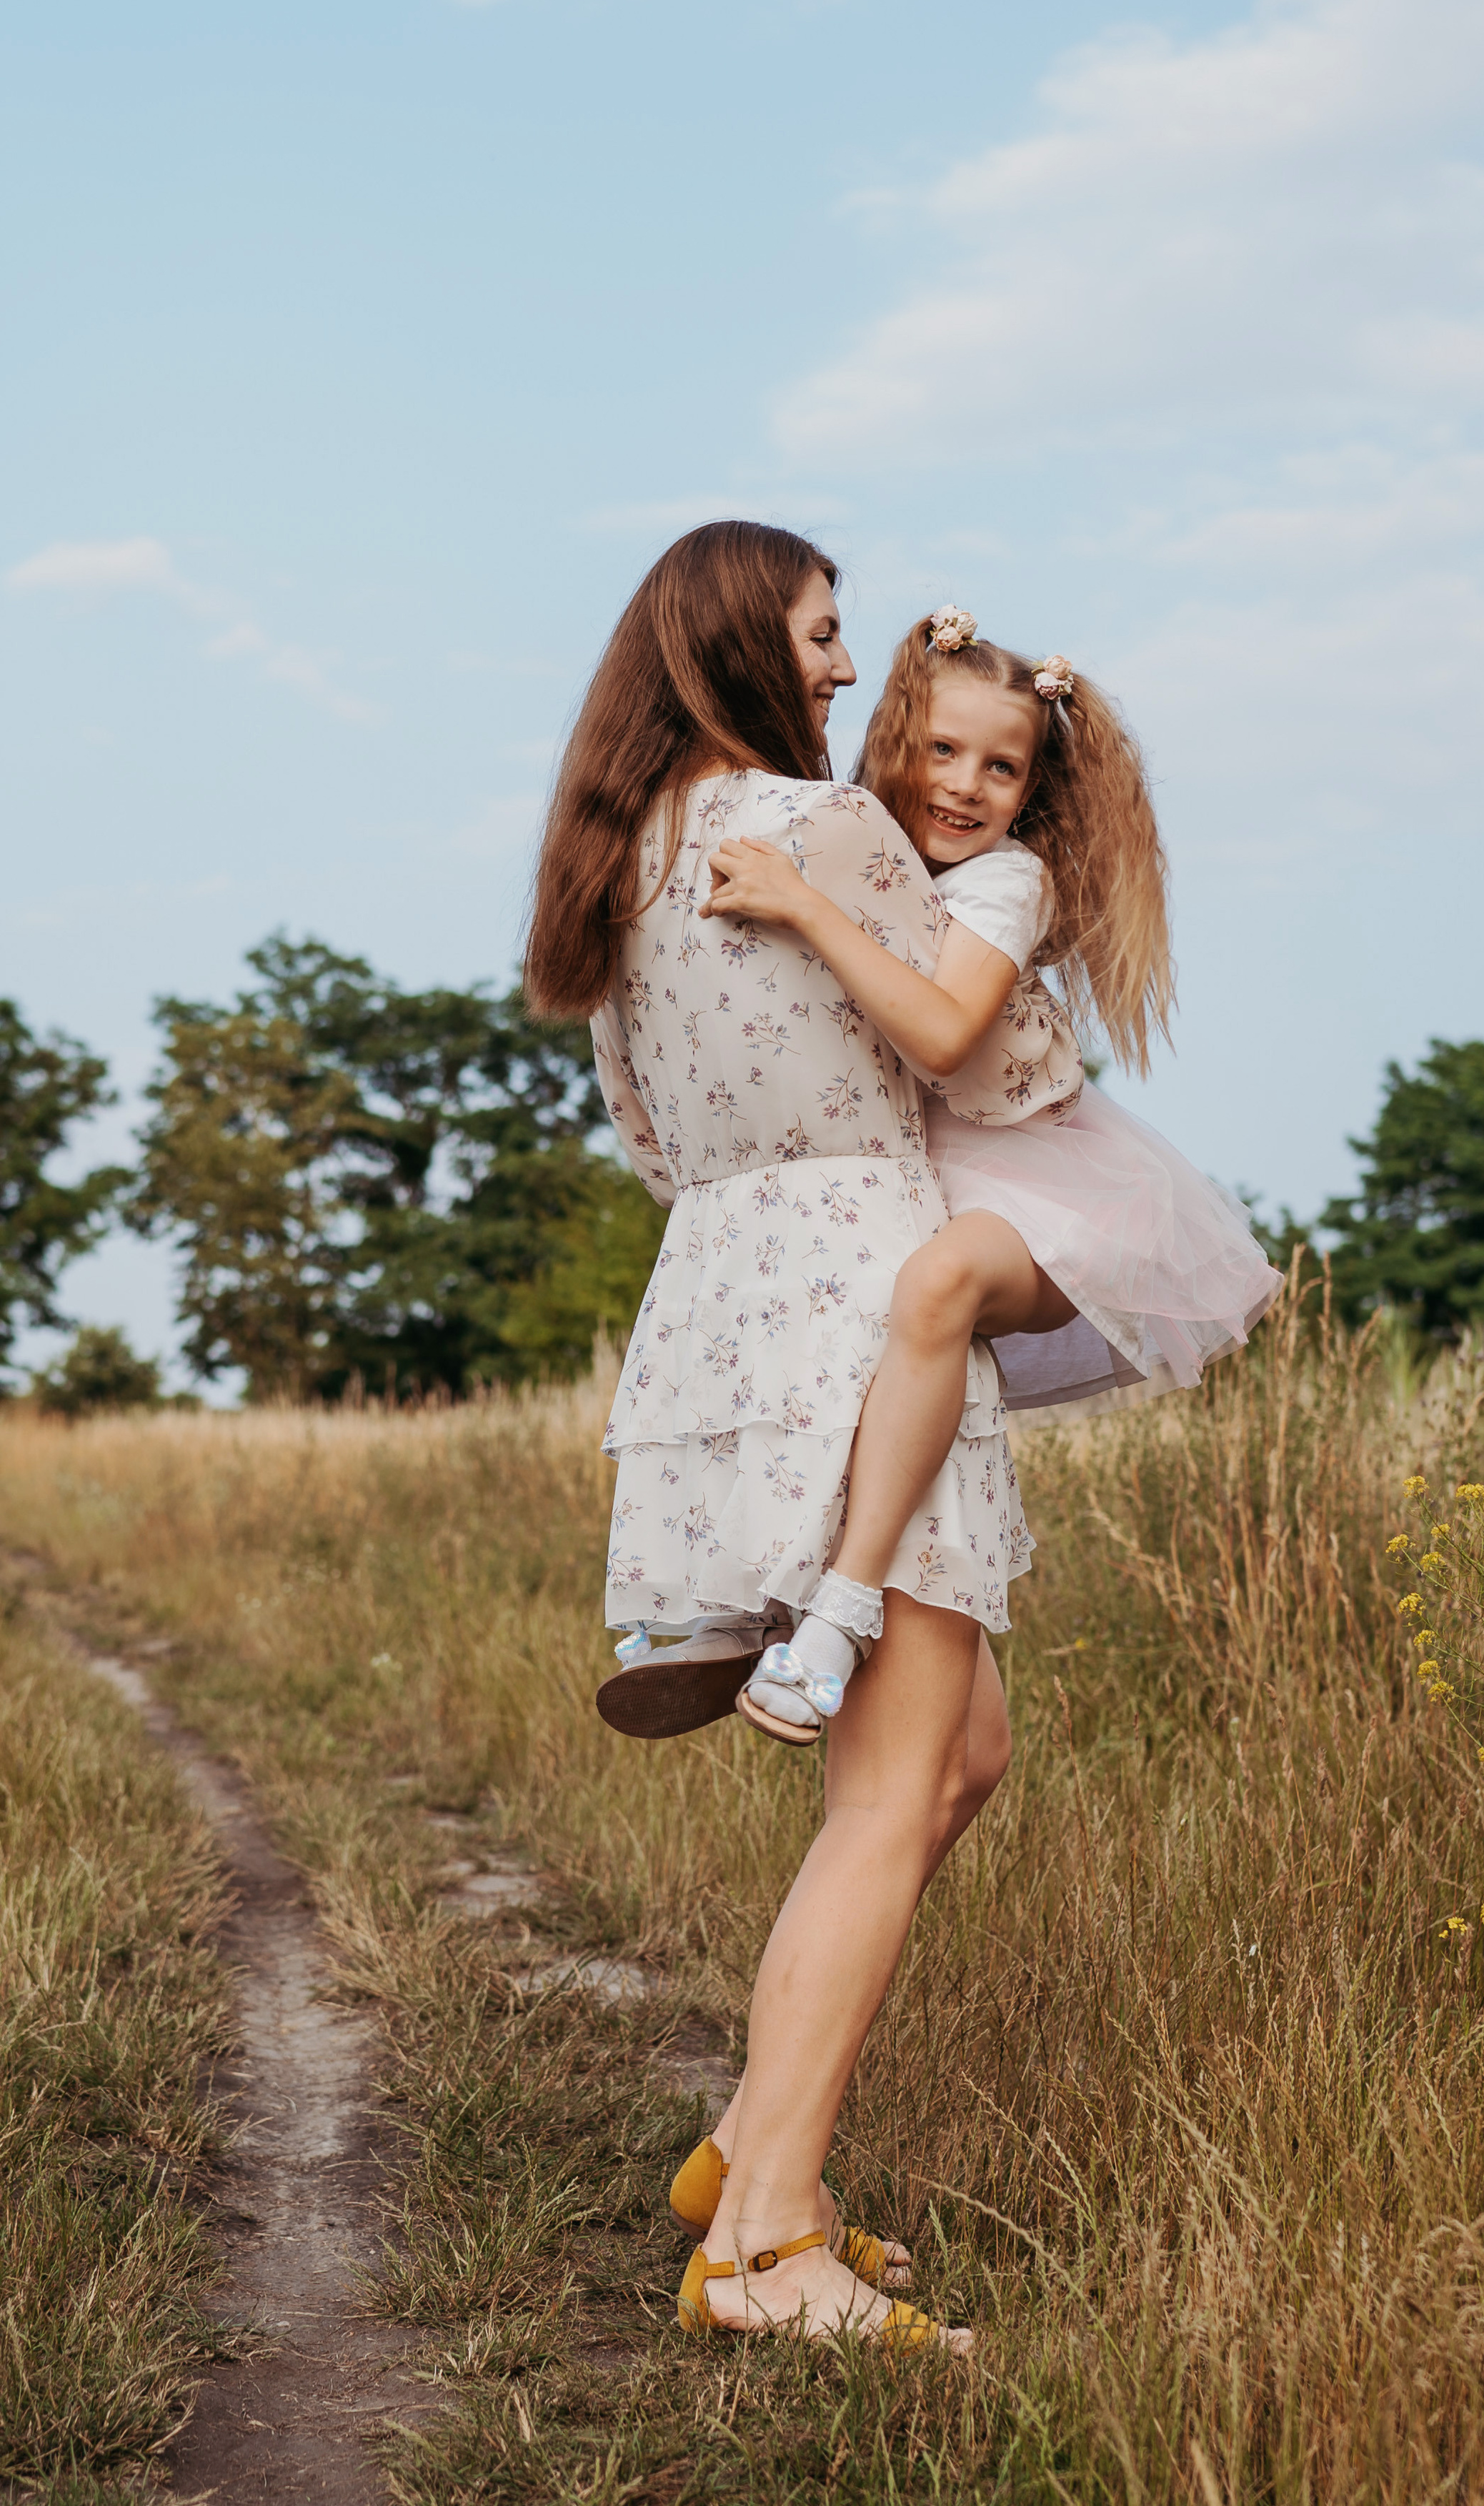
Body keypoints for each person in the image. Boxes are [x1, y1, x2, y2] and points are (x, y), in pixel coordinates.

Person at [524, 526, 1083, 2350]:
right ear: (739, 645)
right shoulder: (825, 833)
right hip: (859, 1278)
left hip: (719, 1296)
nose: (848, 676)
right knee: (886, 1791)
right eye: (826, 638)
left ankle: (747, 2151)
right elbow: (996, 1067)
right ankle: (766, 2246)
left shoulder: (612, 876)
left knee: (961, 1746)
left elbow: (646, 1139)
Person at [697, 606, 1281, 1743]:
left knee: (938, 1283)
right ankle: (753, 1594)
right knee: (839, 1357)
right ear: (892, 748)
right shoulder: (866, 852)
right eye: (944, 752)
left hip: (1048, 1201)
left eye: (1002, 767)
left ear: (1031, 795)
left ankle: (837, 1613)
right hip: (916, 1187)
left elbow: (944, 1034)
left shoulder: (1002, 885)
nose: (966, 786)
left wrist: (803, 905)